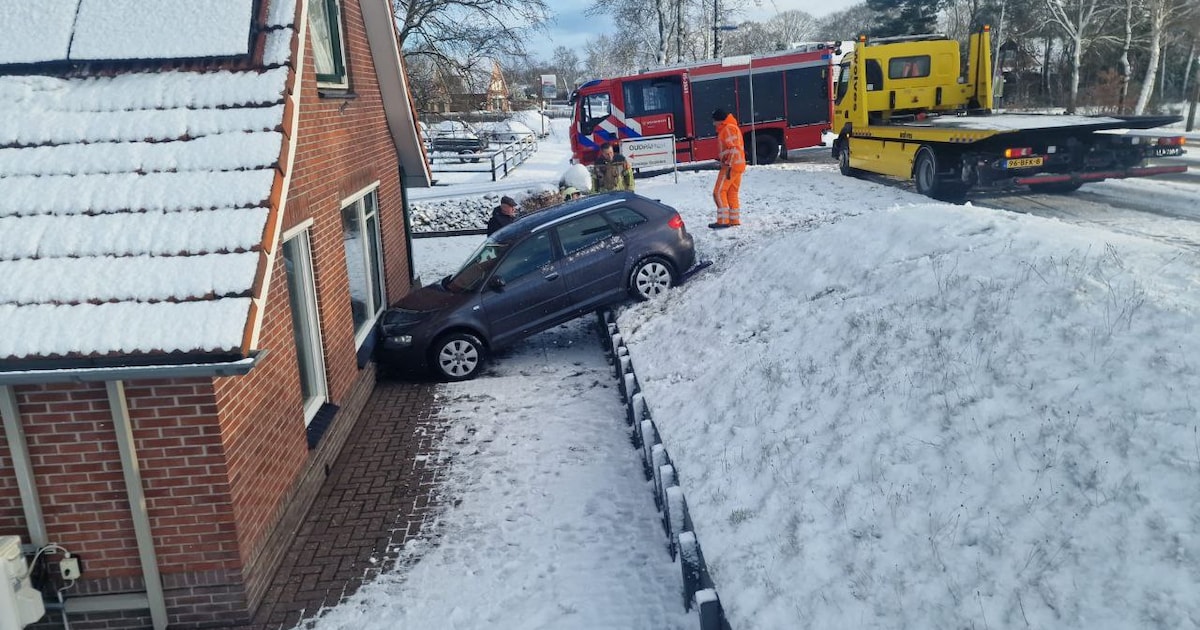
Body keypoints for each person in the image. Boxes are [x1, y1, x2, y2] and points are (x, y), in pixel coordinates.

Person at [709, 108, 746, 229]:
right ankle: (734, 220)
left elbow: (733, 149)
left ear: (720, 120)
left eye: (714, 121)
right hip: (737, 165)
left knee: (718, 192)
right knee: (732, 192)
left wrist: (728, 164)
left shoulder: (728, 129)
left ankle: (723, 221)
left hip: (731, 166)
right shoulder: (731, 127)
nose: (713, 124)